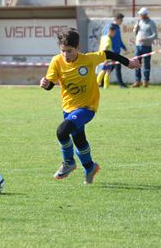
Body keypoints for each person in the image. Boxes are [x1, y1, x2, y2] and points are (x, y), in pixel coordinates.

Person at [39, 28, 140, 184]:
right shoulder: (56, 61)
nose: (65, 55)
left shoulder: (88, 59)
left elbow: (108, 54)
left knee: (62, 132)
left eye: (69, 51)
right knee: (79, 140)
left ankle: (68, 162)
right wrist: (45, 84)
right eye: (63, 51)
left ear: (77, 48)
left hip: (87, 107)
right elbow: (50, 84)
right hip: (68, 108)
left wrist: (129, 63)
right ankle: (90, 167)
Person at [132, 7, 157, 88]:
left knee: (146, 64)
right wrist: (135, 29)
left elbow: (155, 35)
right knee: (136, 63)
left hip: (147, 46)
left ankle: (145, 81)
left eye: (141, 14)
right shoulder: (138, 22)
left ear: (145, 15)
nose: (140, 16)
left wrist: (146, 39)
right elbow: (135, 33)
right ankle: (137, 81)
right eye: (139, 14)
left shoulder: (151, 23)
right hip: (138, 46)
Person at [102, 12, 128, 87]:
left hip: (117, 51)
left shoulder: (118, 28)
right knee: (113, 67)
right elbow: (106, 38)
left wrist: (124, 47)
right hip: (112, 51)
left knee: (111, 68)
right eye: (121, 20)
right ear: (116, 19)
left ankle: (102, 83)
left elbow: (119, 39)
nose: (121, 22)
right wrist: (108, 50)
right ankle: (120, 84)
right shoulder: (110, 27)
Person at [96, 25, 116, 89]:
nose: (114, 34)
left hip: (101, 56)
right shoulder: (108, 39)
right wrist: (106, 59)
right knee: (107, 72)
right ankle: (106, 86)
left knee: (103, 70)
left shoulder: (103, 37)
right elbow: (106, 48)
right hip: (107, 58)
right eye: (114, 33)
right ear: (110, 31)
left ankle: (96, 84)